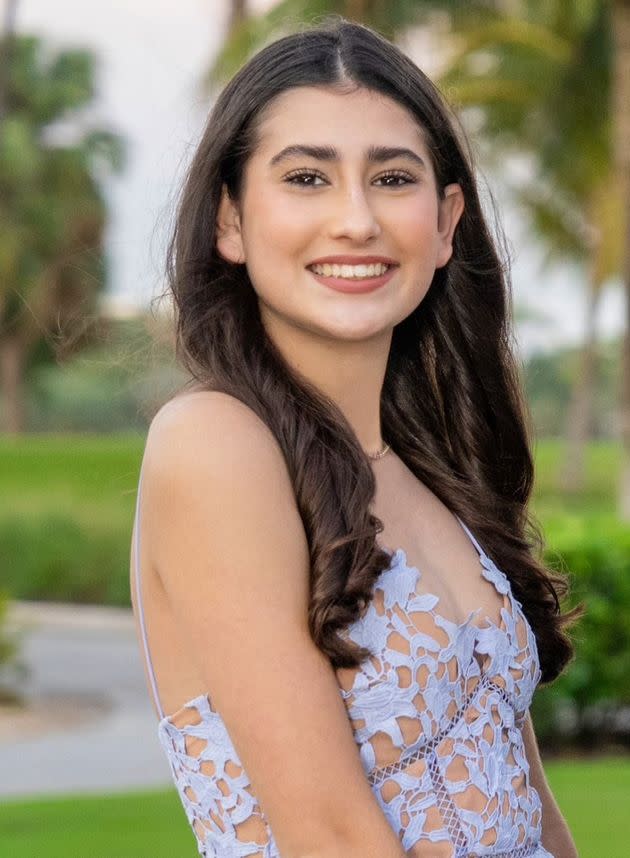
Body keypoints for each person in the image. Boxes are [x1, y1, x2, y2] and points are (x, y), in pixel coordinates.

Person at [130, 17, 580, 858]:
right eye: (307, 177)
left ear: (446, 222)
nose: (356, 220)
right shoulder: (214, 444)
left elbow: (531, 808)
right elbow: (332, 836)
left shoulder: (429, 470)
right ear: (231, 219)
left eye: (393, 178)